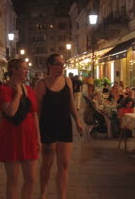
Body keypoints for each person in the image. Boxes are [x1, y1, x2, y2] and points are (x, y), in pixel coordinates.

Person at [34, 54, 83, 199]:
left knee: (65, 164)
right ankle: (43, 192)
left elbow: (71, 105)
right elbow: (37, 111)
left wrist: (78, 121)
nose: (62, 67)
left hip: (64, 125)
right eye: (58, 64)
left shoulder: (68, 81)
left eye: (63, 64)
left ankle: (62, 195)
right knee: (47, 164)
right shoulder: (41, 84)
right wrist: (36, 133)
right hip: (47, 126)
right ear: (50, 65)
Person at [0, 58, 40, 199]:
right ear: (14, 70)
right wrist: (18, 94)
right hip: (11, 137)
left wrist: (39, 138)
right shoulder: (4, 90)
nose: (26, 71)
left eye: (26, 68)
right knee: (13, 179)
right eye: (23, 68)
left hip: (29, 137)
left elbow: (34, 114)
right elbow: (11, 112)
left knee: (31, 179)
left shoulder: (30, 90)